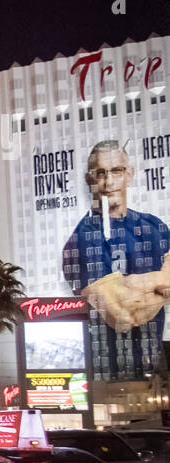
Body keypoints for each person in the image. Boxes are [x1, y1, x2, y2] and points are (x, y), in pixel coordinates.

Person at [61, 140, 170, 378]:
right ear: (90, 180)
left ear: (129, 175)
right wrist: (160, 283)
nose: (109, 182)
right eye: (100, 173)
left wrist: (133, 285)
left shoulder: (154, 225)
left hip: (156, 372)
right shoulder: (81, 240)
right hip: (106, 377)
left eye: (116, 171)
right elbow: (123, 313)